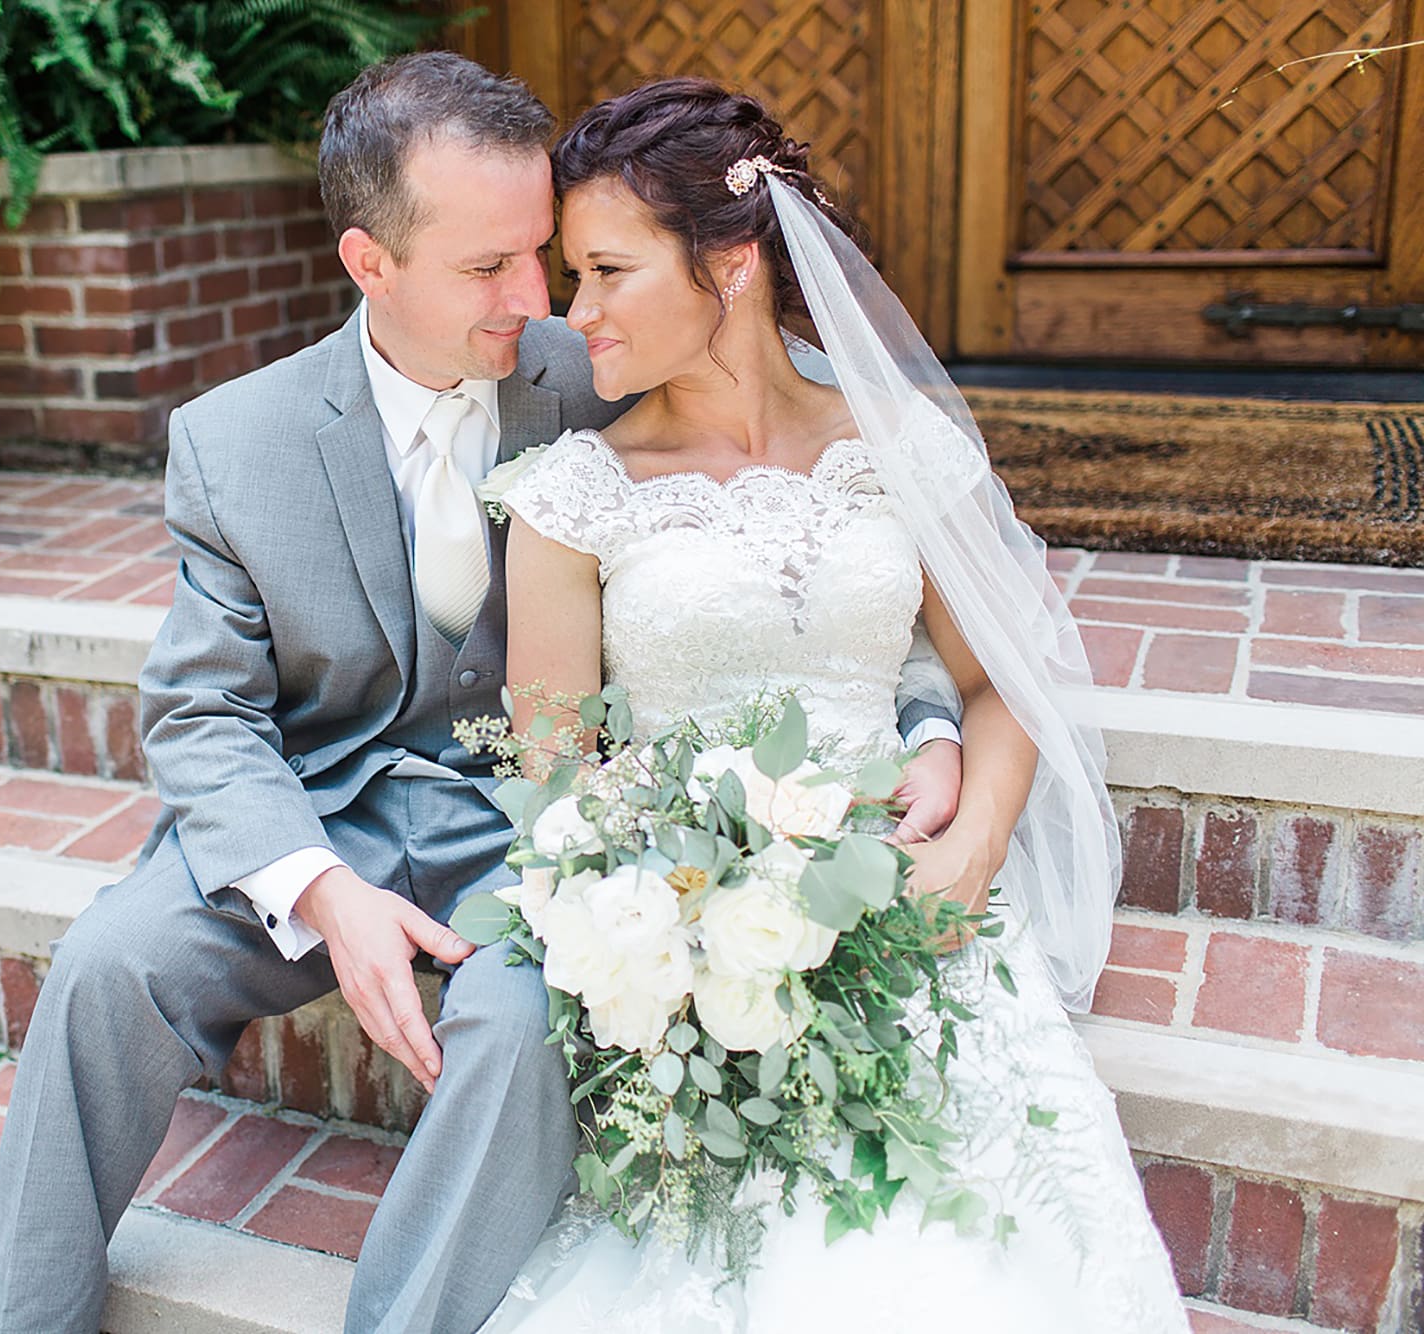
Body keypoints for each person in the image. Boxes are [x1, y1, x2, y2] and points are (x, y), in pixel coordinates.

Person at [0, 54, 964, 1334]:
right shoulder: (233, 441)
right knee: (106, 962)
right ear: (367, 262)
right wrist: (326, 895)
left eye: (541, 253)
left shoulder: (606, 358)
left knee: (522, 1023)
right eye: (487, 268)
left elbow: (831, 567)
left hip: (544, 814)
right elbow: (201, 713)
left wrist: (924, 715)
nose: (537, 295)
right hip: (321, 808)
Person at [480, 78, 1189, 1332]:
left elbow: (996, 682)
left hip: (921, 906)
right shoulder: (569, 496)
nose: (569, 313)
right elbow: (553, 774)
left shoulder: (898, 444)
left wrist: (970, 853)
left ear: (733, 261)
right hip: (708, 946)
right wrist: (682, 916)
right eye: (568, 274)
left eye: (604, 272)